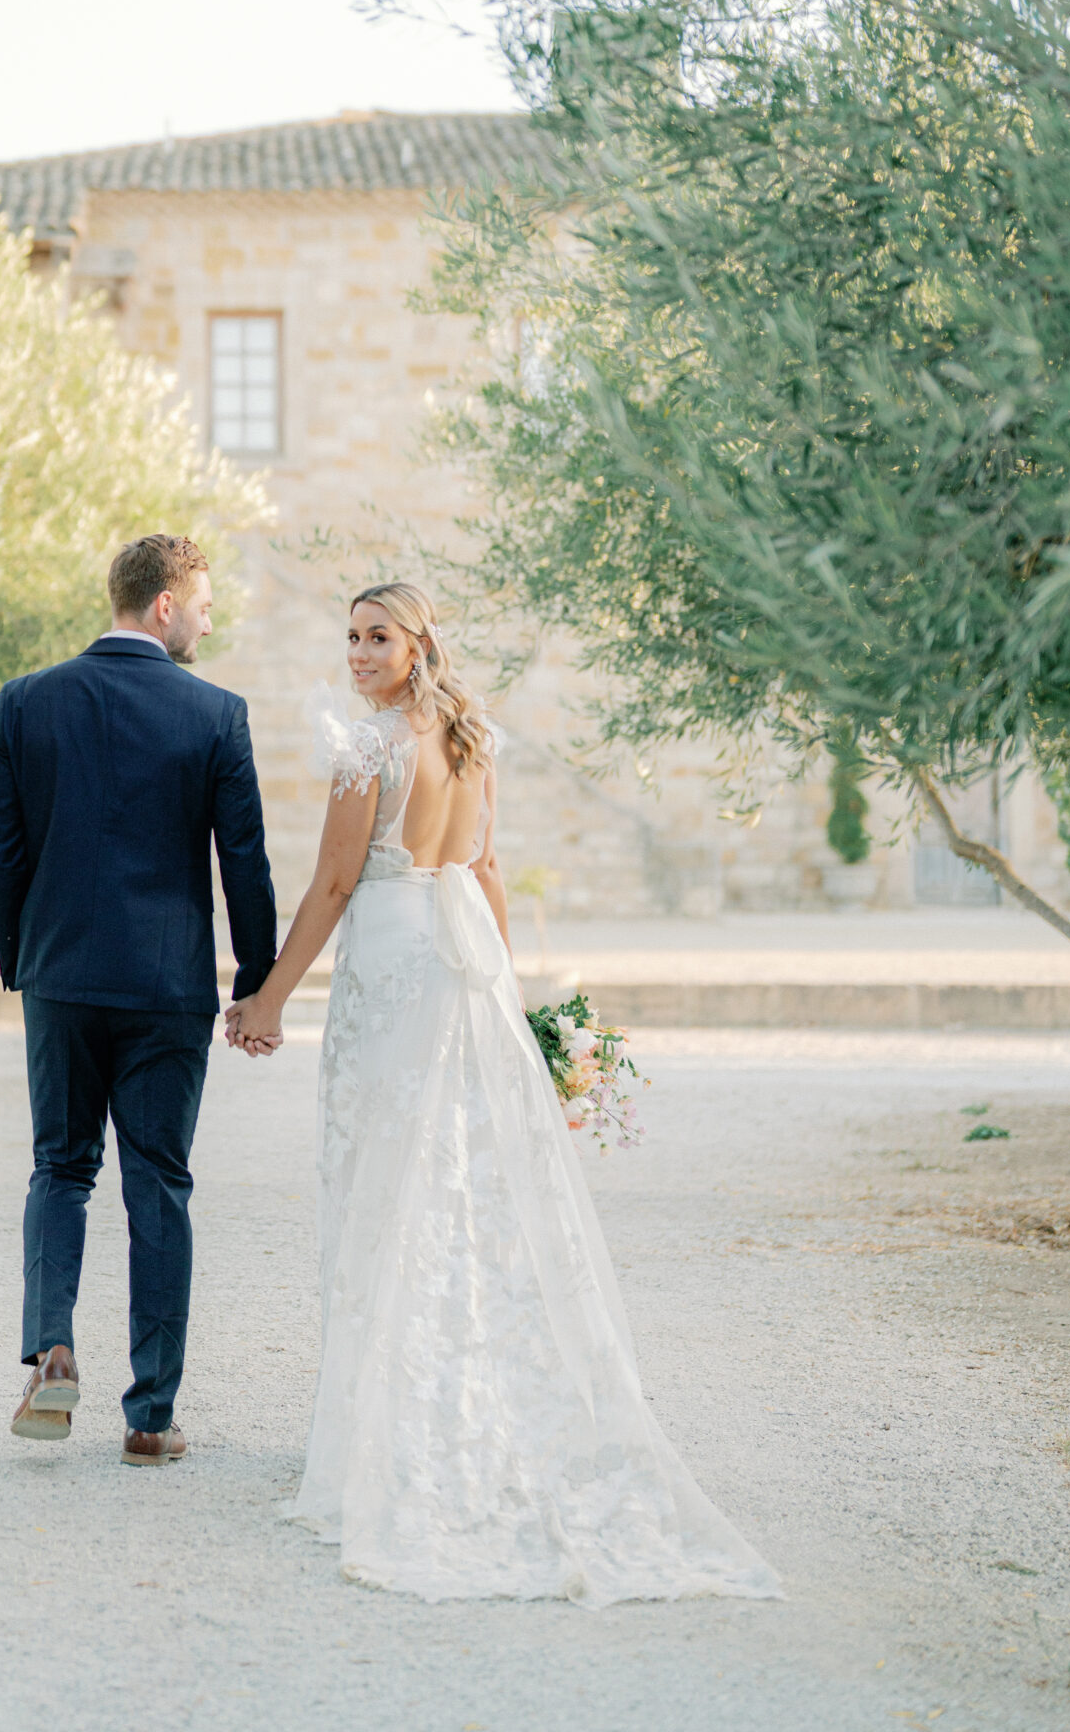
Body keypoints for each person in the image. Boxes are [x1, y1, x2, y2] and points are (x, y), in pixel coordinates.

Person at [224, 581, 780, 1606]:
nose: (356, 652)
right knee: (462, 1186)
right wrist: (511, 996)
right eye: (348, 635)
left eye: (376, 635)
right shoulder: (474, 739)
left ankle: (386, 1444)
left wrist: (266, 996)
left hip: (396, 963)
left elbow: (335, 886)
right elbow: (486, 870)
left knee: (390, 1185)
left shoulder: (366, 748)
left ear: (418, 640)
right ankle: (448, 1414)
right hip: (463, 963)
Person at [0, 532, 276, 1469]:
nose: (210, 617)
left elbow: (2, 858)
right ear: (163, 606)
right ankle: (150, 1415)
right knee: (159, 1182)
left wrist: (20, 958)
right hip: (164, 990)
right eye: (205, 602)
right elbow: (245, 867)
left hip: (60, 978)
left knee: (60, 1169)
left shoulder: (26, 703)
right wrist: (252, 983)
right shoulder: (216, 714)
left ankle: (51, 1345)